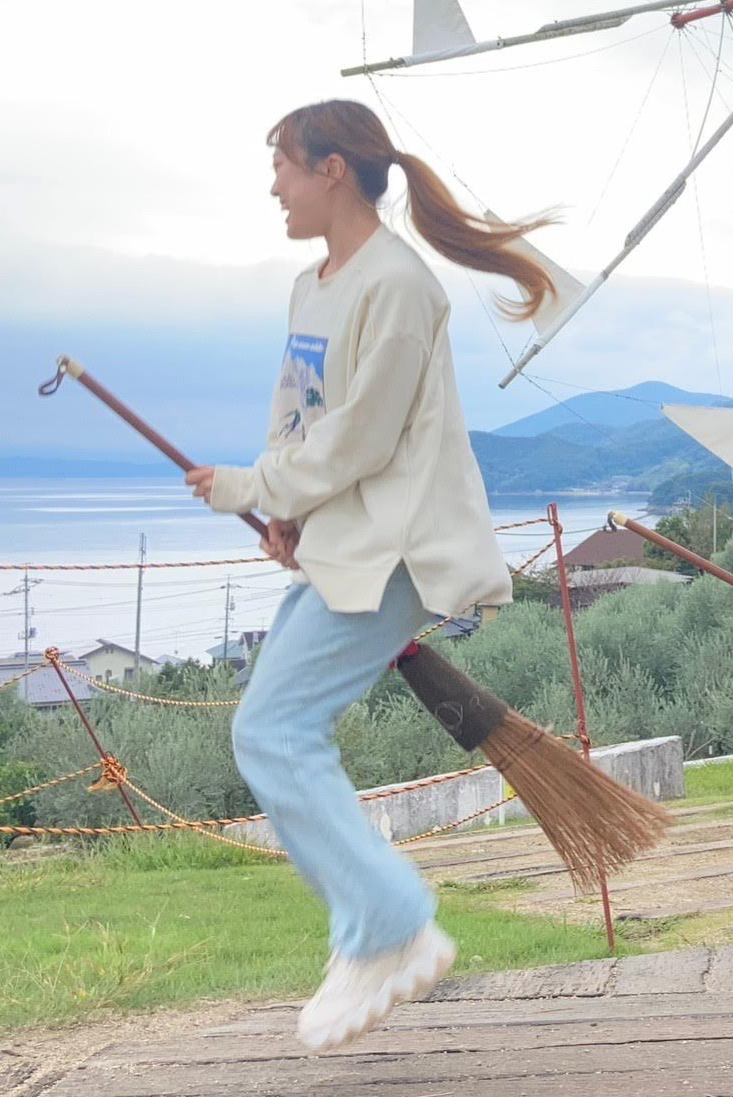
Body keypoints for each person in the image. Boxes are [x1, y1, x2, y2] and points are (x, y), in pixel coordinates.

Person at [186, 99, 555, 1054]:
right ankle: (376, 931)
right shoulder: (314, 287)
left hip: (401, 544)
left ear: (334, 169)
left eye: (283, 165)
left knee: (272, 728)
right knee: (274, 729)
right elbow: (299, 416)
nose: (274, 185)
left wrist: (243, 488)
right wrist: (285, 515)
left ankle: (390, 926)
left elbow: (360, 436)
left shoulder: (398, 286)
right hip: (347, 538)